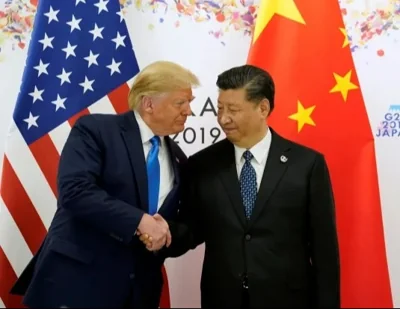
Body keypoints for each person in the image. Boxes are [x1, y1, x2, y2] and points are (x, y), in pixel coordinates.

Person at [141, 64, 340, 308]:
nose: (223, 118)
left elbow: (324, 251)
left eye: (233, 110)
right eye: (220, 108)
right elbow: (192, 229)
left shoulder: (307, 165)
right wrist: (161, 233)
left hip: (289, 299)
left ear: (263, 108)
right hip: (223, 298)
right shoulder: (203, 164)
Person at [10, 60, 200, 308]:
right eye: (180, 103)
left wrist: (166, 233)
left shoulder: (177, 157)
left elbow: (175, 223)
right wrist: (139, 221)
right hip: (78, 285)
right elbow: (75, 191)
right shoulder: (96, 130)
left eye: (190, 103)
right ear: (149, 103)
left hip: (138, 294)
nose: (188, 111)